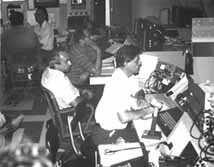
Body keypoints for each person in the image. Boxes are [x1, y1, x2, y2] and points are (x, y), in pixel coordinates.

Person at [91, 45, 162, 145]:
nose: (140, 64)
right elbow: (124, 117)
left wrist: (140, 97)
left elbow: (138, 90)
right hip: (107, 135)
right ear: (126, 63)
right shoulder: (118, 83)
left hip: (113, 130)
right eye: (137, 61)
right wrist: (148, 110)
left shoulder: (129, 77)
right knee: (151, 145)